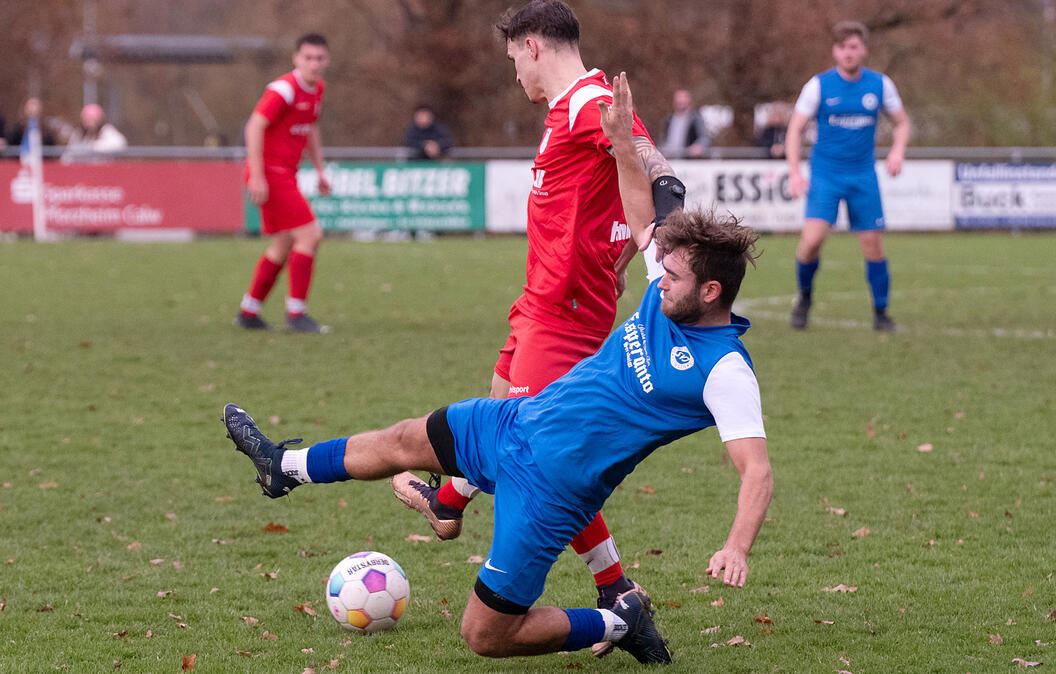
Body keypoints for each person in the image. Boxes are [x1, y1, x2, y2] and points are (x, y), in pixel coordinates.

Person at [222, 76, 771, 663]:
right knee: (405, 438)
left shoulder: (725, 371)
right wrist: (620, 145)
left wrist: (736, 547)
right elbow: (642, 206)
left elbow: (756, 471)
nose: (659, 278)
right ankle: (283, 467)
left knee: (484, 636)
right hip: (515, 422)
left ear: (711, 291)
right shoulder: (672, 282)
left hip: (552, 489)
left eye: (677, 278)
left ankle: (617, 622)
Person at [391, 0, 686, 640]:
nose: (513, 77)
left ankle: (616, 592)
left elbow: (640, 150)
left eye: (512, 62)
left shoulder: (585, 101)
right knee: (504, 410)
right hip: (539, 298)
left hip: (567, 306)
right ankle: (449, 502)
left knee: (535, 450)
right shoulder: (567, 109)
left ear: (531, 47)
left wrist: (663, 223)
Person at [785, 20, 910, 332]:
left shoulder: (880, 85)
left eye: (854, 47)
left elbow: (902, 123)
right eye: (842, 48)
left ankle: (881, 313)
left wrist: (897, 151)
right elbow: (795, 129)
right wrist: (795, 172)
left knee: (872, 245)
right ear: (835, 51)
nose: (848, 53)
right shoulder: (819, 86)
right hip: (826, 174)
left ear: (863, 49)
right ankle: (804, 298)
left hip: (862, 175)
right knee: (811, 241)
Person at [235, 33, 333, 333]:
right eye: (308, 58)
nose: (314, 64)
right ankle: (296, 313)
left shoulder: (317, 89)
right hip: (271, 173)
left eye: (319, 58)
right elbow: (254, 126)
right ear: (296, 59)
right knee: (311, 235)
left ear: (326, 60)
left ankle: (249, 310)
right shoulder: (283, 90)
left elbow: (310, 129)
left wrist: (319, 170)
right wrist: (258, 175)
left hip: (285, 173)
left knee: (283, 243)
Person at [659, 89, 710, 159]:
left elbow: (704, 137)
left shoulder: (695, 119)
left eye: (683, 99)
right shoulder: (669, 120)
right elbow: (663, 139)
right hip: (670, 160)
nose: (681, 101)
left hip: (687, 162)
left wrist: (699, 146)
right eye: (679, 99)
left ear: (689, 101)